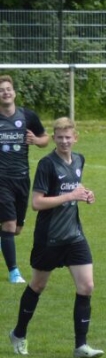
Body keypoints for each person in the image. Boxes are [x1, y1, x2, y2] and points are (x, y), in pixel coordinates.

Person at [9, 117, 102, 358]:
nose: (64, 141)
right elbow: (36, 203)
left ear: (75, 138)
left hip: (74, 236)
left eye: (68, 137)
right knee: (38, 285)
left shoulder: (79, 160)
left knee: (87, 286)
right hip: (49, 237)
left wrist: (86, 194)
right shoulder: (47, 164)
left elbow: (73, 187)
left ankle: (81, 346)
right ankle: (18, 333)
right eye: (59, 137)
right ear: (54, 138)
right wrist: (70, 195)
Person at [0, 75, 49, 285]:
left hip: (22, 178)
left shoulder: (27, 116)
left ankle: (5, 239)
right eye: (1, 90)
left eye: (8, 89)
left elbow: (45, 138)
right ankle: (14, 272)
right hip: (1, 180)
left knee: (16, 229)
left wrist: (36, 140)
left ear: (14, 93)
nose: (5, 92)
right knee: (9, 225)